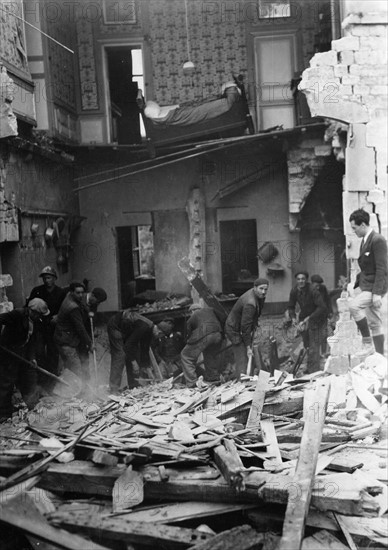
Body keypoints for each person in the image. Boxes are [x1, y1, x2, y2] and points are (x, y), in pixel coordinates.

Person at [0, 298, 50, 418]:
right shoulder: (17, 314)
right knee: (7, 384)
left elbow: (31, 340)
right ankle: (4, 414)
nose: (40, 317)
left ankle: (33, 406)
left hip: (23, 353)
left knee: (29, 378)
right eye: (39, 315)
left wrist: (32, 357)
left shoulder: (35, 320)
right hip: (8, 354)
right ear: (32, 311)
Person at [348, 209, 388, 355]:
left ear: (363, 224)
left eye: (355, 228)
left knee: (354, 306)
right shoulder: (365, 240)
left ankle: (367, 342)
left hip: (374, 288)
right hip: (368, 285)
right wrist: (354, 284)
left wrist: (377, 294)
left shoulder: (377, 240)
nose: (354, 231)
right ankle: (379, 356)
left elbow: (382, 268)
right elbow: (366, 268)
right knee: (375, 323)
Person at [225, 278, 269, 379]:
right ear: (254, 288)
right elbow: (245, 327)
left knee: (250, 354)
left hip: (242, 327)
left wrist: (255, 325)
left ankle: (250, 376)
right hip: (234, 329)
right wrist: (248, 347)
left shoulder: (259, 296)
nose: (263, 292)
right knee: (242, 357)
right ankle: (241, 380)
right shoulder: (250, 303)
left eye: (266, 289)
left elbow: (255, 315)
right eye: (261, 289)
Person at [108, 309, 160, 392]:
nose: (159, 335)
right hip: (116, 325)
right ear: (158, 328)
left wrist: (147, 367)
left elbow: (144, 349)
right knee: (120, 355)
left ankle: (133, 384)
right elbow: (128, 346)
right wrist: (133, 362)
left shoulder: (149, 329)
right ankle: (114, 388)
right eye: (159, 333)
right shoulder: (143, 327)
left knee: (135, 352)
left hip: (126, 327)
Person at [27, 266, 67, 377]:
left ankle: (53, 376)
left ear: (54, 278)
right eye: (44, 278)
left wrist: (58, 316)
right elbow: (29, 306)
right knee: (39, 350)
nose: (46, 280)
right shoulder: (37, 291)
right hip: (39, 325)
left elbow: (65, 309)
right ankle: (41, 376)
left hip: (53, 326)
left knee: (53, 352)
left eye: (49, 278)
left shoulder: (61, 292)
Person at [54, 281, 93, 389]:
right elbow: (80, 328)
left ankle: (73, 391)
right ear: (71, 292)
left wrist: (87, 310)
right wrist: (90, 344)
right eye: (78, 293)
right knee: (76, 369)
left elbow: (82, 305)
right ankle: (78, 393)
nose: (81, 295)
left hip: (64, 337)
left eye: (82, 293)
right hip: (65, 340)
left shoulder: (71, 297)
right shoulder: (72, 307)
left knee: (70, 367)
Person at [287, 271, 328, 373]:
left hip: (317, 318)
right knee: (307, 345)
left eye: (303, 279)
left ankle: (314, 371)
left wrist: (309, 318)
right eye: (299, 279)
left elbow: (322, 307)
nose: (301, 281)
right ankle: (310, 367)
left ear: (306, 280)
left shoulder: (313, 290)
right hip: (303, 318)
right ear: (296, 280)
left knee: (314, 345)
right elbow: (291, 307)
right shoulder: (294, 290)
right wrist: (293, 318)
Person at [180, 302, 224, 388]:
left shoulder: (193, 316)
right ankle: (214, 378)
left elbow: (187, 335)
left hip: (204, 335)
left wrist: (190, 345)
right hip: (218, 335)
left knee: (186, 356)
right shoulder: (211, 310)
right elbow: (223, 318)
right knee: (209, 354)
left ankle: (192, 382)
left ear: (192, 311)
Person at [310, 274, 332, 356]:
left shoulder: (323, 289)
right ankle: (315, 354)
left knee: (324, 335)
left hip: (323, 316)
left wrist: (330, 312)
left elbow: (327, 300)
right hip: (313, 317)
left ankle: (323, 353)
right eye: (316, 285)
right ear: (312, 284)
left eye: (319, 285)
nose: (318, 287)